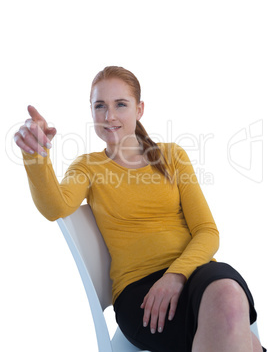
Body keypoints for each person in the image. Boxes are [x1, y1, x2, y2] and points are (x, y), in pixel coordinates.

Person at [14, 66, 265, 352]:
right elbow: (53, 207)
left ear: (140, 109)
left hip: (195, 272)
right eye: (100, 106)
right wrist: (35, 156)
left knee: (229, 295)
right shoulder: (88, 166)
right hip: (139, 292)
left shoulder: (172, 155)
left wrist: (176, 275)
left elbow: (207, 232)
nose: (109, 116)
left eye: (120, 104)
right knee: (241, 338)